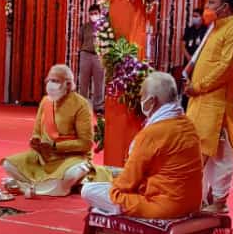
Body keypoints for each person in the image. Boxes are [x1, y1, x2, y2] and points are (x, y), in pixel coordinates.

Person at [81, 72, 203, 217]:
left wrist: (115, 187)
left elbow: (128, 182)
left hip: (164, 206)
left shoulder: (152, 133)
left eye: (142, 96)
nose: (141, 100)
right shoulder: (188, 125)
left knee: (88, 190)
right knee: (113, 179)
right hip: (192, 203)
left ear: (152, 101)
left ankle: (113, 210)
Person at [184, 0, 233, 214]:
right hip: (201, 102)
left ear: (226, 7)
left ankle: (220, 201)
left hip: (218, 105)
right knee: (200, 152)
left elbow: (226, 69)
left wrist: (199, 86)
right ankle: (200, 199)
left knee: (221, 155)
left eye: (212, 3)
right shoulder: (216, 28)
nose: (207, 7)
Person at [1, 64, 94, 197]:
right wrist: (35, 141)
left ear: (68, 84)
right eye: (49, 80)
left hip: (70, 159)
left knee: (71, 174)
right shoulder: (46, 101)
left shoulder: (81, 104)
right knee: (8, 164)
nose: (50, 84)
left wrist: (56, 146)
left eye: (55, 81)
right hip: (44, 158)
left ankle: (28, 186)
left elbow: (86, 144)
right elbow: (37, 132)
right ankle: (47, 187)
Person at [77, 2, 106, 115]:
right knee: (83, 80)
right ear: (89, 14)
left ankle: (98, 106)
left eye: (95, 13)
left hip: (98, 56)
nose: (93, 15)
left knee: (99, 81)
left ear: (99, 13)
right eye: (91, 13)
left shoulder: (104, 27)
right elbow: (80, 40)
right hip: (86, 54)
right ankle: (82, 104)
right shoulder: (85, 27)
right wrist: (82, 51)